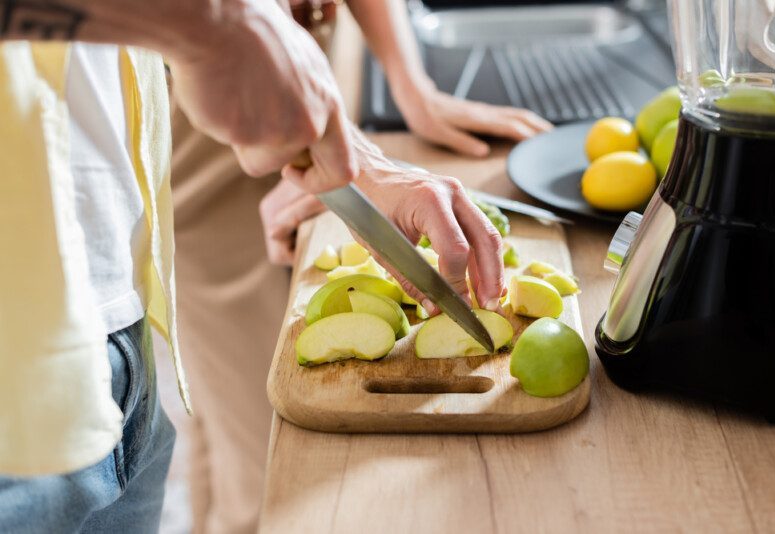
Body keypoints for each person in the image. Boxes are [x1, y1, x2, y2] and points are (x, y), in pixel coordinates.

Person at [0, 0, 508, 531]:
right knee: (264, 491)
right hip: (20, 378)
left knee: (226, 456)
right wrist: (217, 24)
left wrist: (355, 158)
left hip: (113, 319)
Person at [169, 0, 552, 532]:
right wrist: (228, 24)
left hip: (307, 48)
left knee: (224, 408)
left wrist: (407, 79)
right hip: (202, 52)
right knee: (266, 460)